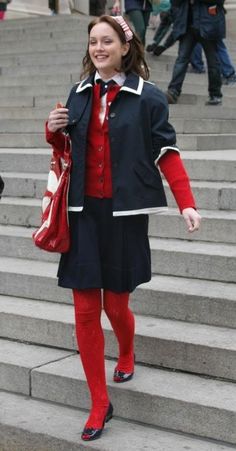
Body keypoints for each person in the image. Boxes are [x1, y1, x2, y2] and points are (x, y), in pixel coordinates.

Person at [46, 14, 201, 441]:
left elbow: (166, 150)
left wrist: (186, 202)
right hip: (82, 216)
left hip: (123, 217)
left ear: (125, 47)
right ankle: (99, 401)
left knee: (115, 307)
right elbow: (66, 149)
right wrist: (53, 130)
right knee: (83, 311)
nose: (99, 48)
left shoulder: (148, 98)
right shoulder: (76, 94)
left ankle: (128, 350)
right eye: (93, 41)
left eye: (107, 41)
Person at [166, 0, 226, 106]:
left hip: (208, 25)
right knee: (182, 59)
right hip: (188, 24)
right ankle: (173, 91)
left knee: (213, 62)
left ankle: (215, 94)